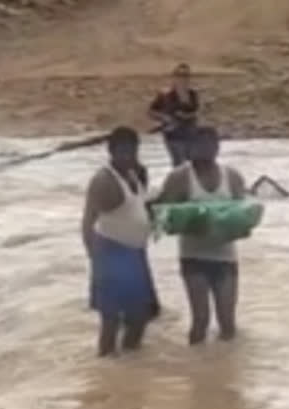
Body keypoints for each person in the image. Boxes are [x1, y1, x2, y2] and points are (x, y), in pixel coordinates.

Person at [151, 126, 246, 345]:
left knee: (228, 323)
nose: (205, 150)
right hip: (193, 257)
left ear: (218, 147)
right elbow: (163, 217)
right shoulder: (180, 177)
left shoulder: (231, 176)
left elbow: (243, 216)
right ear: (190, 148)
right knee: (200, 320)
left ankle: (224, 372)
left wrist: (234, 226)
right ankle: (195, 371)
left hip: (226, 257)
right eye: (200, 145)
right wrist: (191, 223)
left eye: (210, 145)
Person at [81, 126, 158, 357]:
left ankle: (127, 369)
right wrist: (95, 260)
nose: (127, 157)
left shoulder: (137, 173)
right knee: (111, 320)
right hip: (110, 253)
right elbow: (87, 221)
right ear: (111, 151)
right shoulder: (103, 180)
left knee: (141, 317)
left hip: (135, 253)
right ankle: (106, 364)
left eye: (132, 151)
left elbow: (139, 206)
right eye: (122, 152)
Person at [147, 62, 200, 167]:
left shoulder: (193, 94)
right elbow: (151, 111)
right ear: (174, 77)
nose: (183, 79)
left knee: (192, 164)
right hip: (173, 135)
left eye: (186, 75)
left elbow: (197, 111)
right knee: (179, 164)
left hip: (190, 134)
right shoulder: (165, 95)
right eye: (179, 75)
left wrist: (188, 116)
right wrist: (165, 118)